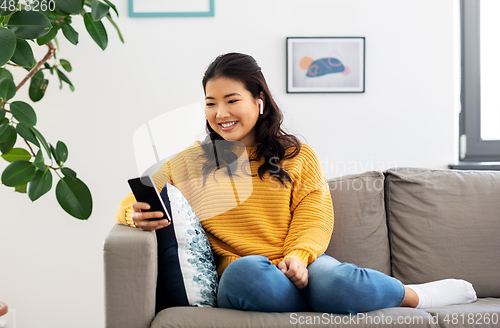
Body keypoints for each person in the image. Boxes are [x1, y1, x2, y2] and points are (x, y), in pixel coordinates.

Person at [116, 52, 477, 314]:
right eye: (211, 103)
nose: (220, 114)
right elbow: (135, 198)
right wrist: (133, 214)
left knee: (335, 281)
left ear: (259, 102)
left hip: (301, 264)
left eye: (232, 100)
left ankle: (415, 296)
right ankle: (322, 303)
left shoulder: (296, 155)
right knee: (244, 275)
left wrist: (298, 259)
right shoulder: (192, 162)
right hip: (250, 274)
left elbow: (314, 214)